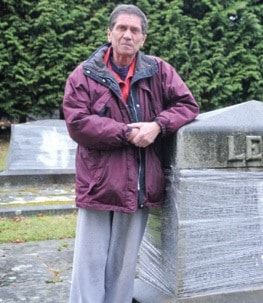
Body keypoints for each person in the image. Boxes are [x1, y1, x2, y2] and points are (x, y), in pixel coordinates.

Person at [62, 4, 199, 302]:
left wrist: (157, 126)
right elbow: (78, 123)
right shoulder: (84, 75)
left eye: (134, 30)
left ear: (143, 38)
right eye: (121, 28)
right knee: (90, 264)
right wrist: (126, 133)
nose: (127, 34)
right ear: (109, 33)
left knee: (124, 268)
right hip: (99, 184)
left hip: (139, 184)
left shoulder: (159, 71)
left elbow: (188, 106)